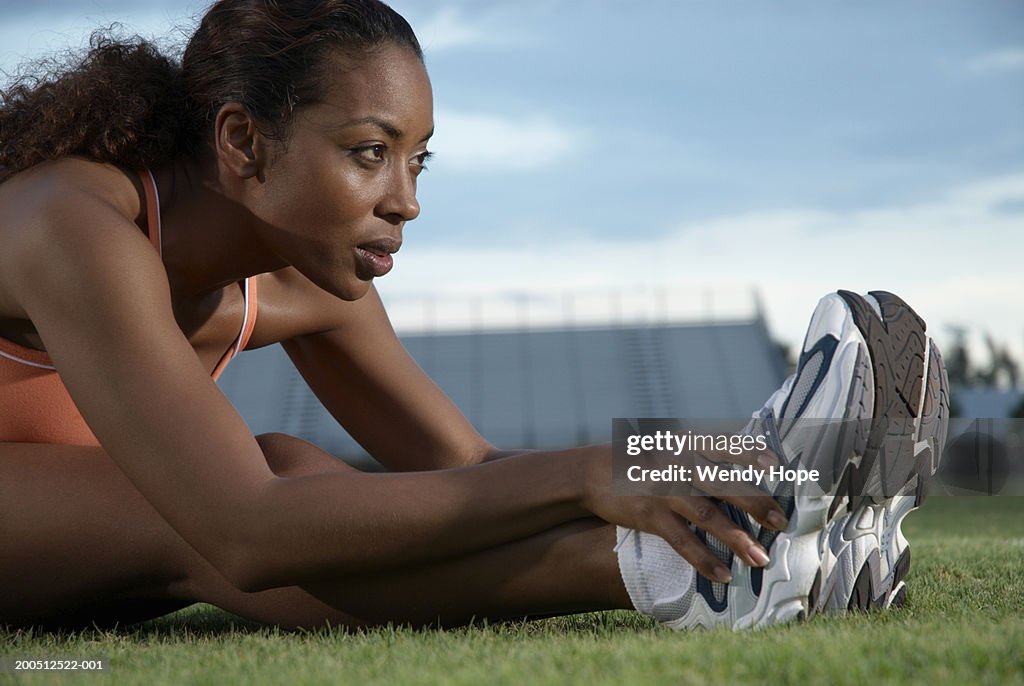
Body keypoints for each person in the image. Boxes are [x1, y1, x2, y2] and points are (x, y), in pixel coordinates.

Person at [0, 0, 948, 632]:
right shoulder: (69, 223)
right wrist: (590, 470)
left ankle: (780, 548)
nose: (406, 200)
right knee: (229, 500)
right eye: (369, 152)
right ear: (245, 141)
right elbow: (244, 530)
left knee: (295, 475)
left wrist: (690, 465)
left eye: (419, 161)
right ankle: (688, 577)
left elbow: (470, 474)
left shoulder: (306, 281)